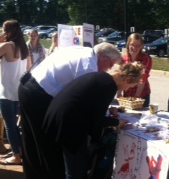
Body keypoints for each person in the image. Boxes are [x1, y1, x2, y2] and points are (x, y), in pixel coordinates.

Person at [18, 42, 122, 179]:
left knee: (31, 140)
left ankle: (33, 175)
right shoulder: (88, 66)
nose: (109, 69)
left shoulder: (83, 51)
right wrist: (109, 115)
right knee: (45, 143)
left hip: (29, 87)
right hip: (38, 95)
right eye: (110, 64)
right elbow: (85, 103)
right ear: (103, 57)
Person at [41, 62, 143, 179]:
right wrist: (117, 123)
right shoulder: (109, 86)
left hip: (59, 117)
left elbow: (90, 106)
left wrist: (109, 112)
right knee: (76, 171)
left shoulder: (102, 77)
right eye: (130, 86)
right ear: (127, 79)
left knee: (71, 167)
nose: (127, 89)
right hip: (69, 124)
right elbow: (96, 120)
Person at [0, 19, 28, 165]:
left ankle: (16, 156)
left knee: (10, 125)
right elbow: (28, 68)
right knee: (16, 125)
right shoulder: (24, 47)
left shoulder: (5, 46)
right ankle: (19, 150)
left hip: (6, 92)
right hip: (19, 91)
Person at [119, 33, 152, 107]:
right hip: (127, 93)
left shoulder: (146, 58)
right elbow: (121, 77)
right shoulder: (123, 58)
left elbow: (142, 79)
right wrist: (119, 93)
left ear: (141, 46)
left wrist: (136, 98)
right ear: (128, 44)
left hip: (142, 94)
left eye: (138, 46)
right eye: (132, 45)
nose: (135, 48)